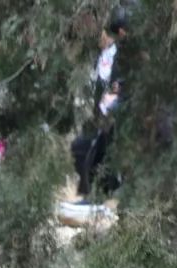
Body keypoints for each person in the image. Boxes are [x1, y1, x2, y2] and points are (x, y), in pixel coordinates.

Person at [70, 11, 128, 201]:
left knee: (100, 150)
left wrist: (115, 96)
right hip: (100, 114)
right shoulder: (102, 54)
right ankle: (92, 195)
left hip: (115, 113)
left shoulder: (122, 55)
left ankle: (100, 196)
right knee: (81, 147)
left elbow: (121, 83)